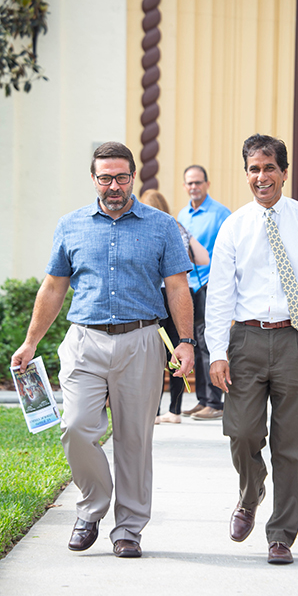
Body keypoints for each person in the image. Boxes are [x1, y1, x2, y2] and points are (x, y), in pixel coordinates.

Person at [11, 142, 195, 558]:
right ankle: (93, 506)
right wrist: (31, 340)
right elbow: (54, 286)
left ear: (134, 177)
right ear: (93, 179)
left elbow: (178, 287)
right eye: (105, 178)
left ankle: (128, 529)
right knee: (75, 427)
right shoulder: (70, 225)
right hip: (84, 340)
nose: (114, 186)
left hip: (142, 339)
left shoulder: (162, 226)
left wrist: (185, 341)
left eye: (122, 177)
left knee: (134, 440)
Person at [205, 134, 298, 564]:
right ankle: (251, 494)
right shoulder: (234, 225)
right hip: (245, 339)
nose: (261, 177)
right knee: (242, 431)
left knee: (293, 444)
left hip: (296, 339)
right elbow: (219, 294)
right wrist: (217, 351)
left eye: (268, 168)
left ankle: (281, 534)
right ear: (246, 173)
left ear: (284, 172)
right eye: (253, 169)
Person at [140, 189, 209, 424]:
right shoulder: (178, 227)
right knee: (177, 354)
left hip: (158, 294)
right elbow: (203, 258)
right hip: (182, 294)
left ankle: (155, 411)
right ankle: (175, 411)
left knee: (155, 356)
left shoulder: (146, 227)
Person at [178, 165, 231, 420]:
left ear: (207, 184)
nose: (194, 187)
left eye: (198, 183)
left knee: (210, 341)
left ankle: (215, 402)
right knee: (195, 343)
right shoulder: (182, 215)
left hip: (211, 284)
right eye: (189, 183)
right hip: (190, 287)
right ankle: (202, 400)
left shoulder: (221, 214)